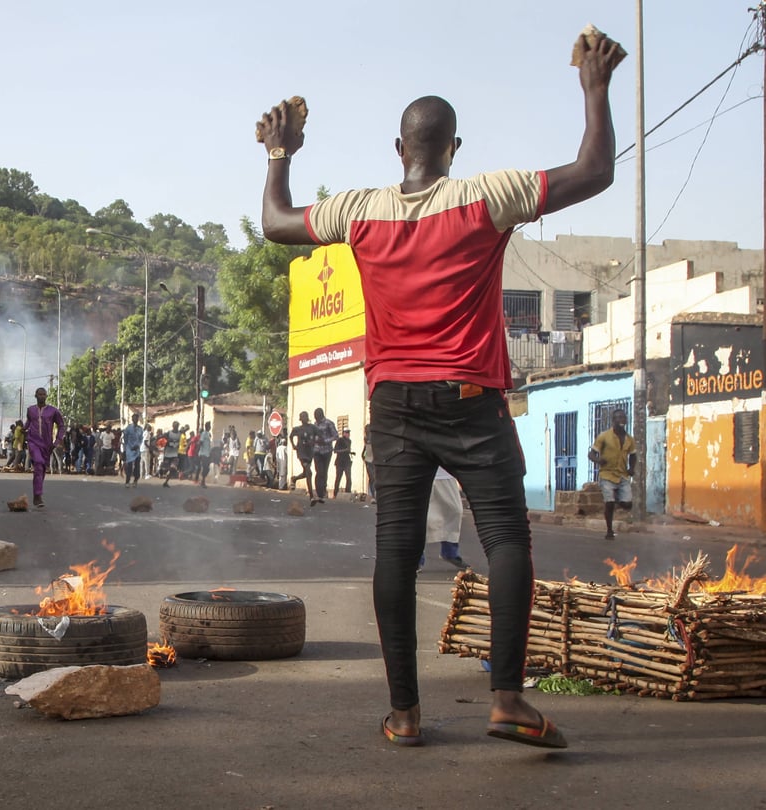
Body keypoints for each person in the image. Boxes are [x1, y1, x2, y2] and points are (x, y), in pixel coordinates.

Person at [257, 29, 624, 748]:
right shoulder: (486, 197)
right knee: (505, 539)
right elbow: (594, 169)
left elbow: (275, 222)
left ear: (400, 149)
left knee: (395, 550)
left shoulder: (358, 209)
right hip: (469, 399)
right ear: (454, 148)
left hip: (392, 401)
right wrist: (594, 85)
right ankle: (506, 700)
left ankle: (403, 714)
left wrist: (280, 153)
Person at [589, 408, 635, 540]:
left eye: (623, 417)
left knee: (627, 504)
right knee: (609, 503)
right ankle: (609, 530)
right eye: (618, 417)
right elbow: (591, 453)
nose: (621, 420)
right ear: (613, 420)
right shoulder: (604, 436)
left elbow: (633, 455)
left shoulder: (629, 439)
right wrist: (598, 460)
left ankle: (617, 501)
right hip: (607, 474)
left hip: (622, 474)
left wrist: (631, 468)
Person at [419, 469, 469, 571]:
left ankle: (449, 553)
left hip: (446, 474)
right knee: (421, 517)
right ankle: (417, 559)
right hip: (422, 472)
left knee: (455, 511)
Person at [24, 388, 65, 508]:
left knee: (41, 468)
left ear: (46, 396)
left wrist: (57, 441)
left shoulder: (53, 411)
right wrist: (23, 428)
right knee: (38, 463)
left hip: (47, 445)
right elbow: (29, 422)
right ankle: (37, 495)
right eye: (39, 394)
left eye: (43, 394)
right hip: (33, 441)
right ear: (35, 395)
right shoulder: (30, 410)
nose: (41, 396)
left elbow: (61, 425)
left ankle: (37, 493)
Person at [288, 411, 317, 500]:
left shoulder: (312, 428)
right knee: (309, 472)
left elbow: (318, 436)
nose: (304, 418)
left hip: (310, 452)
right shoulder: (297, 429)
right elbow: (291, 436)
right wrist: (293, 445)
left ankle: (294, 479)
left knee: (306, 473)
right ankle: (311, 495)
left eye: (305, 416)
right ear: (300, 419)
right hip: (301, 453)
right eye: (302, 417)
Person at [311, 407, 339, 504]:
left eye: (317, 416)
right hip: (317, 451)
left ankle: (323, 490)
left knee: (324, 472)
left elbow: (336, 436)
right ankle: (319, 492)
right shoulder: (315, 425)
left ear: (321, 415)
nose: (316, 419)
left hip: (326, 451)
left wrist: (325, 441)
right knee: (319, 471)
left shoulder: (328, 423)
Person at [122, 412, 144, 488]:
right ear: (132, 419)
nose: (135, 419)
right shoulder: (128, 428)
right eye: (134, 418)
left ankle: (135, 481)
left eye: (136, 418)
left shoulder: (140, 429)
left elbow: (141, 439)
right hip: (129, 449)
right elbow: (125, 439)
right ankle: (127, 481)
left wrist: (138, 446)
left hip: (137, 450)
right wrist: (126, 449)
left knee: (137, 466)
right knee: (129, 466)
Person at [333, 427, 354, 499]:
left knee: (349, 478)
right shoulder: (340, 440)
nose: (348, 434)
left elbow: (348, 450)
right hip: (340, 461)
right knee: (338, 478)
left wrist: (351, 452)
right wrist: (345, 450)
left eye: (348, 432)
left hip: (347, 461)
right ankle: (335, 493)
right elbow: (335, 451)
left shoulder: (349, 441)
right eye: (346, 432)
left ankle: (348, 492)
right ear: (343, 433)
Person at [160, 420, 181, 487]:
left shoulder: (180, 434)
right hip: (168, 454)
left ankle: (166, 482)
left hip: (175, 454)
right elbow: (162, 438)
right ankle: (161, 470)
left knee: (173, 468)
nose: (176, 427)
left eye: (177, 426)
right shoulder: (168, 433)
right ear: (173, 426)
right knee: (165, 469)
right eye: (175, 426)